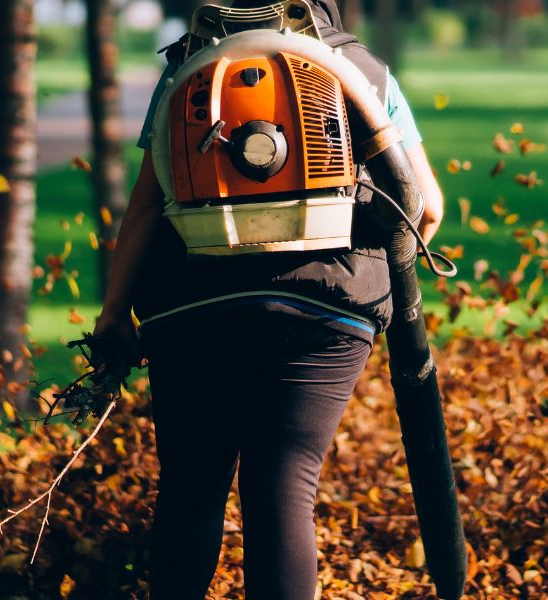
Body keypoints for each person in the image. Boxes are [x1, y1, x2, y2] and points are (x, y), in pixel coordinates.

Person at [90, 0, 443, 596]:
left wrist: (112, 318)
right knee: (285, 483)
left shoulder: (189, 68)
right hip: (326, 311)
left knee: (191, 490)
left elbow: (147, 205)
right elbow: (424, 205)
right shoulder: (361, 68)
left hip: (194, 307)